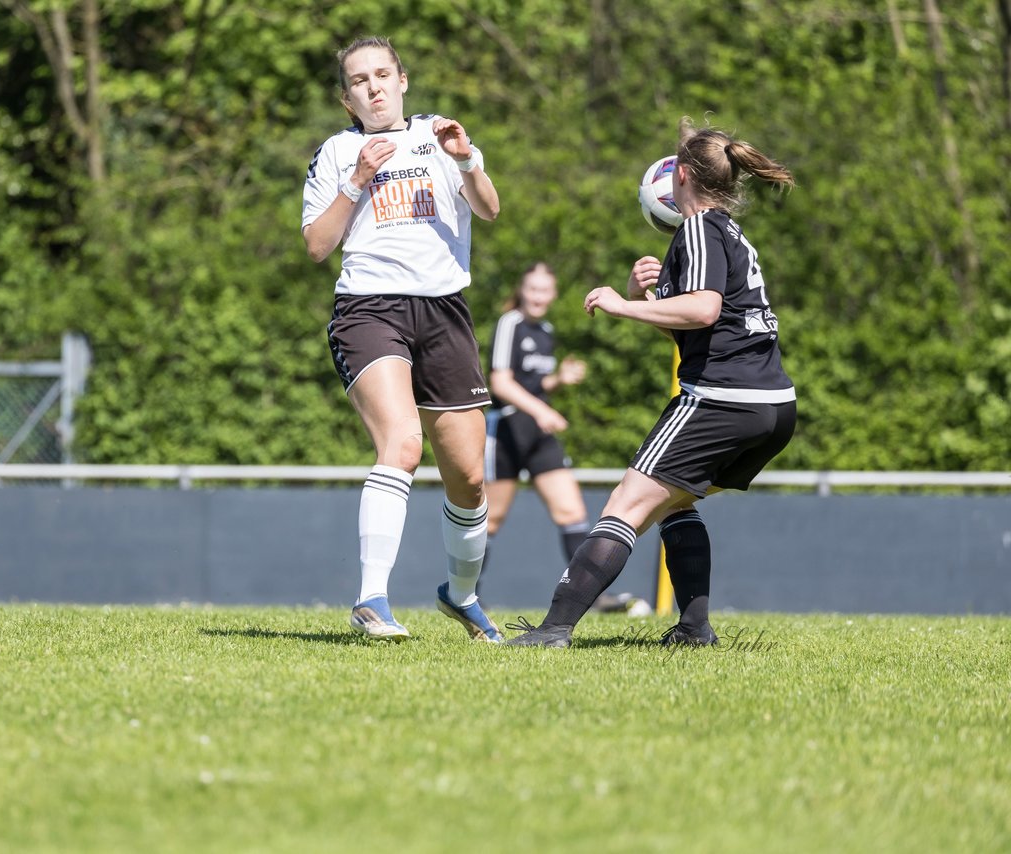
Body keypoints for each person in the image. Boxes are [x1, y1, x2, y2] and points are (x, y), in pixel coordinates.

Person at [507, 118, 797, 648]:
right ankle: (693, 630)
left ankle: (553, 630)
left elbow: (706, 310)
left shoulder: (699, 227)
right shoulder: (728, 231)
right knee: (675, 503)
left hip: (722, 398)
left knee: (626, 504)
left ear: (680, 175)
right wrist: (654, 300)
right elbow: (711, 318)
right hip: (772, 405)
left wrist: (619, 306)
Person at [302, 36, 502, 641]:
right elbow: (316, 246)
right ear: (347, 98)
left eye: (382, 74)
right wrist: (358, 179)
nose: (374, 87)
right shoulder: (337, 153)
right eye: (359, 80)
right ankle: (371, 599)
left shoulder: (442, 136)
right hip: (369, 308)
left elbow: (490, 210)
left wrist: (466, 158)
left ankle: (460, 595)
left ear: (403, 79)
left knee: (468, 476)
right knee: (402, 441)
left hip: (444, 311)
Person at [484, 262, 649, 615]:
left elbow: (533, 383)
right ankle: (467, 595)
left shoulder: (545, 330)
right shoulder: (509, 323)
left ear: (553, 294)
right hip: (508, 432)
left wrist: (558, 380)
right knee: (490, 519)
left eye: (545, 290)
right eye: (533, 289)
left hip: (539, 435)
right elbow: (500, 383)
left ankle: (593, 596)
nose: (538, 296)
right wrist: (541, 410)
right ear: (522, 291)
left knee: (572, 512)